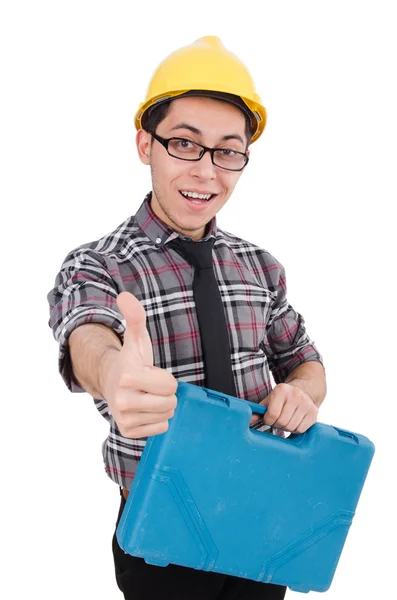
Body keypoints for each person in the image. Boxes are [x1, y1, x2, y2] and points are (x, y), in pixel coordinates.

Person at [47, 36, 326, 600]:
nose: (207, 172)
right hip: (161, 533)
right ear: (145, 145)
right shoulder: (98, 264)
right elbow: (89, 336)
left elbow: (306, 362)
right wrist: (112, 373)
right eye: (184, 144)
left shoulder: (260, 266)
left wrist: (303, 393)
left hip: (258, 513)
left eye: (227, 151)